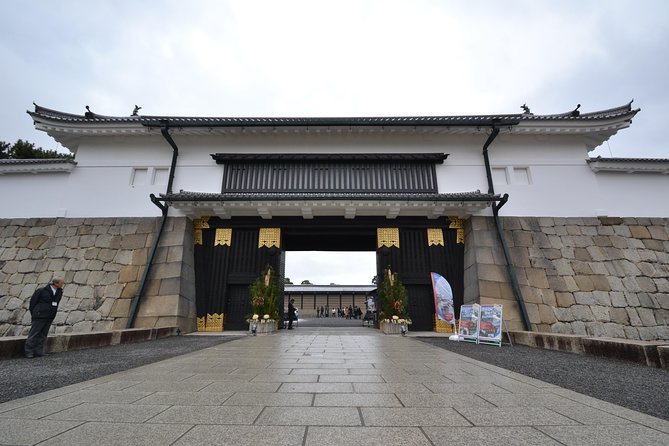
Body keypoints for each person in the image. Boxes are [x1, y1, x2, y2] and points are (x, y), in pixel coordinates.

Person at [24, 277, 64, 358]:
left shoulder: (59, 291)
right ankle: (29, 351)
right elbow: (33, 303)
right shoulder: (42, 290)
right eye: (61, 283)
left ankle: (39, 350)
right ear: (56, 283)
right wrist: (35, 313)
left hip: (49, 316)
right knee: (34, 334)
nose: (62, 284)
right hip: (39, 315)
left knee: (43, 334)